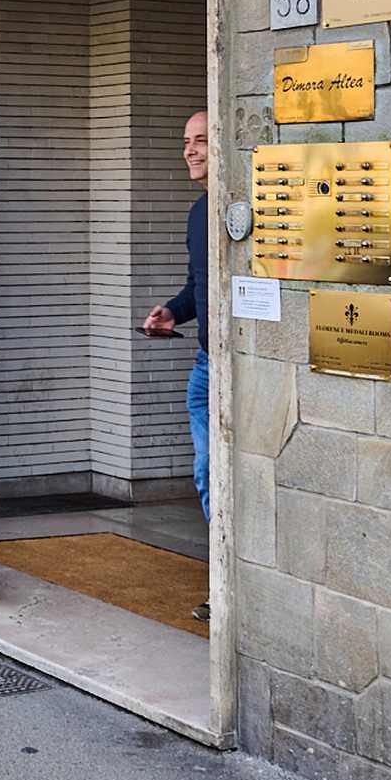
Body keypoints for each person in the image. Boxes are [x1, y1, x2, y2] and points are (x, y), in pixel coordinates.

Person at [142, 110, 211, 619]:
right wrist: (173, 310)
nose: (190, 150)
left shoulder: (239, 205)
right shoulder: (198, 213)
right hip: (208, 364)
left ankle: (230, 583)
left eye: (202, 140)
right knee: (208, 473)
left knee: (215, 471)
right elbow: (200, 287)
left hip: (241, 365)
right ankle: (225, 577)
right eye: (186, 140)